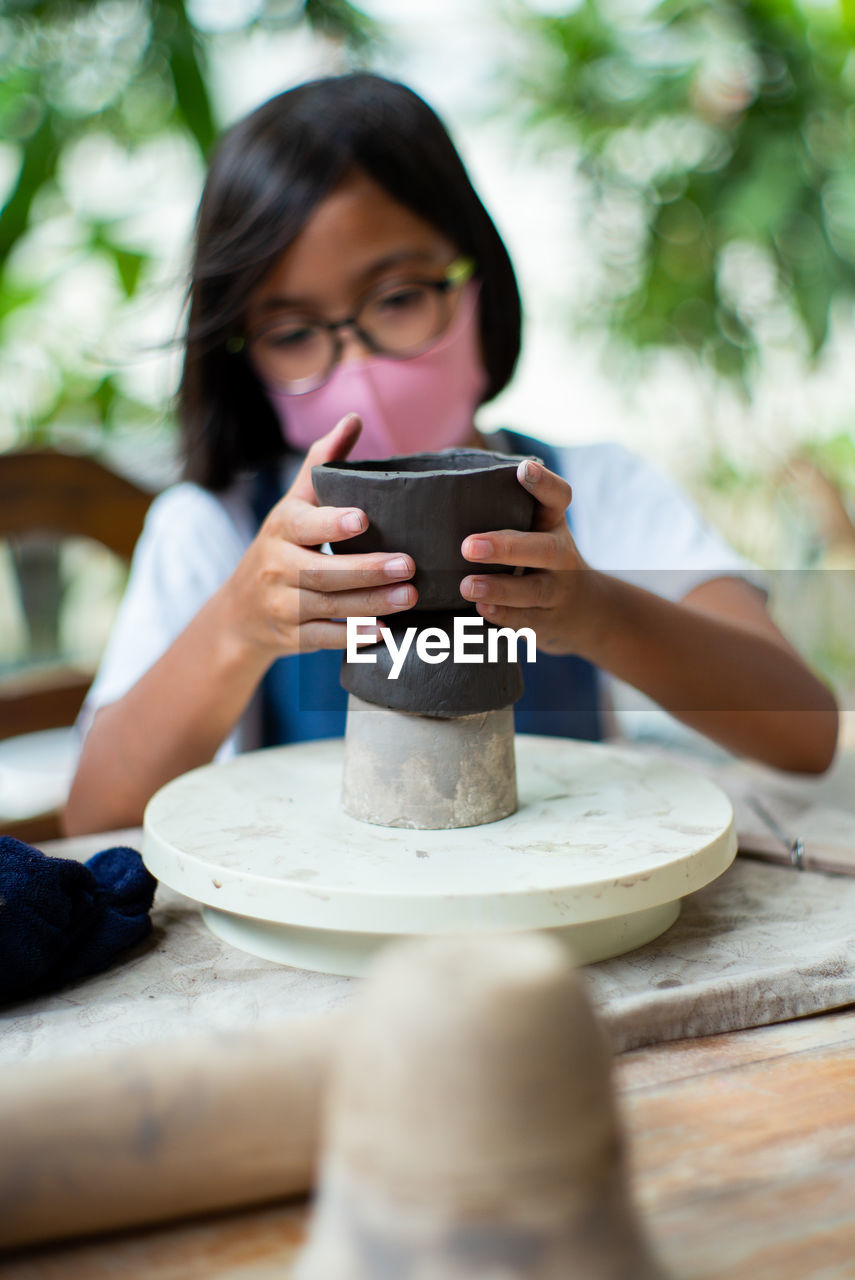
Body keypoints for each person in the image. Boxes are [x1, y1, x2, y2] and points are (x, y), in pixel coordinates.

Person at [65, 73, 838, 835]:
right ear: (242, 357)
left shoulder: (597, 491)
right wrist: (237, 627)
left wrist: (595, 611)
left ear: (477, 279)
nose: (358, 366)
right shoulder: (215, 528)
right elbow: (96, 815)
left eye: (398, 297)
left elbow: (803, 732)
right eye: (293, 332)